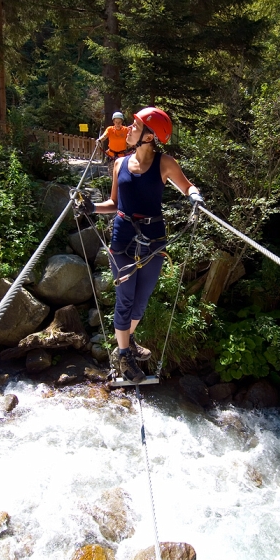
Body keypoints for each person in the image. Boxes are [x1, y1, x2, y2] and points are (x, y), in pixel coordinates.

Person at [79, 107, 204, 384]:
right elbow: (114, 204)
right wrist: (92, 207)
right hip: (122, 240)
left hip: (153, 242)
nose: (129, 129)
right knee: (125, 298)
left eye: (135, 126)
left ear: (149, 137)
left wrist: (196, 196)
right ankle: (124, 356)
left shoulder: (165, 163)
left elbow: (187, 186)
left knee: (141, 300)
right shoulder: (119, 164)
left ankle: (129, 339)